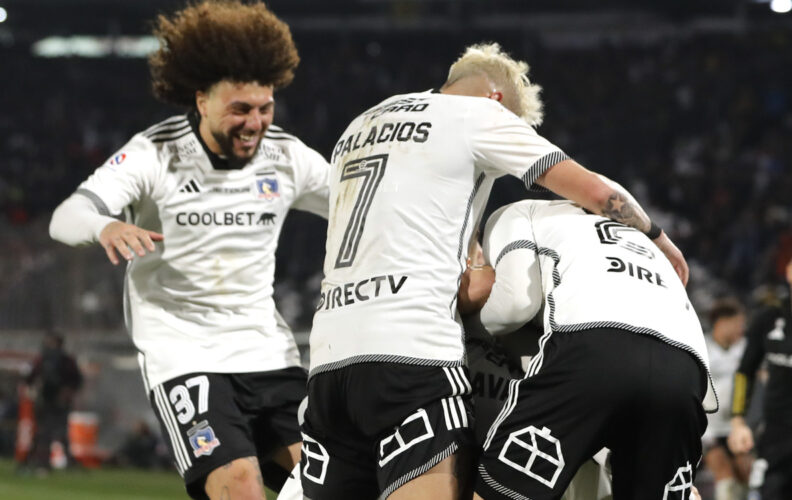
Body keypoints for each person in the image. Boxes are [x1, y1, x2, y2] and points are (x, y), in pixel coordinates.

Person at [300, 43, 689, 500]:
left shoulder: (360, 124)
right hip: (410, 355)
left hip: (328, 358)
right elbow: (593, 190)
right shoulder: (479, 117)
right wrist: (659, 238)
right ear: (498, 101)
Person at [49, 2, 329, 498]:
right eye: (239, 109)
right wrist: (105, 226)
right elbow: (66, 217)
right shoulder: (153, 153)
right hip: (185, 351)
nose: (255, 122)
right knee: (239, 483)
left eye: (265, 108)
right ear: (201, 101)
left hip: (268, 349)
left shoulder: (287, 156)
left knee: (325, 482)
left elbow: (355, 209)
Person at [462, 199, 715, 500]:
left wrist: (468, 322)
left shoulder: (517, 211)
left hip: (595, 346)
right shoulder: (632, 233)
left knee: (501, 490)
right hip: (687, 368)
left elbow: (514, 306)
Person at [728, 258, 792, 500]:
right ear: (788, 271)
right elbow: (745, 371)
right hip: (775, 437)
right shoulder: (769, 318)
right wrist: (737, 421)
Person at [701, 299, 751, 500]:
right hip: (710, 428)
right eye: (738, 324)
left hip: (736, 426)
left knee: (746, 474)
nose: (741, 329)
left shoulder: (745, 348)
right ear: (722, 322)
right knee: (725, 475)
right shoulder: (702, 346)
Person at [24, 333, 83, 472]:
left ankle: (50, 461)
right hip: (47, 400)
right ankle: (44, 460)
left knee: (54, 431)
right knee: (48, 432)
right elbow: (30, 378)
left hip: (55, 400)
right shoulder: (53, 359)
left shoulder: (60, 360)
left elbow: (76, 380)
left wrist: (67, 392)